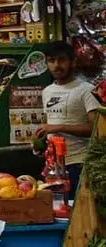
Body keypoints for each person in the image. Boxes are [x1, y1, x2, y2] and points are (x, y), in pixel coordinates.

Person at [36, 41, 100, 193]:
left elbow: (96, 128)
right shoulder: (47, 91)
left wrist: (58, 128)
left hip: (80, 163)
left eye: (61, 60)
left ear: (72, 61)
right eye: (51, 60)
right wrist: (40, 141)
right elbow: (49, 124)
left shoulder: (87, 90)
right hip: (54, 165)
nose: (56, 65)